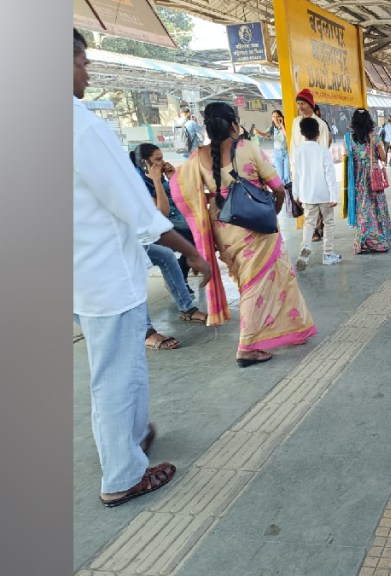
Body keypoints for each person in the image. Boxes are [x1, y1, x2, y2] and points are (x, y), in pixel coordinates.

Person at [74, 29, 213, 507]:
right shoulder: (82, 128)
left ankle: (128, 437)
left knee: (111, 368)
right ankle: (123, 475)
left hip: (76, 275)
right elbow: (137, 209)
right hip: (105, 275)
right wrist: (190, 251)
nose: (86, 71)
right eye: (81, 61)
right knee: (116, 374)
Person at [170, 102, 318, 367]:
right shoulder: (247, 148)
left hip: (224, 232)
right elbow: (279, 189)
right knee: (256, 286)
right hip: (256, 228)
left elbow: (181, 191)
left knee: (266, 278)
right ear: (233, 123)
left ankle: (292, 327)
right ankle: (247, 347)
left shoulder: (196, 158)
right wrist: (270, 216)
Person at [129, 145, 209, 325]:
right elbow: (161, 213)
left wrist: (172, 177)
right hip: (137, 238)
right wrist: (158, 181)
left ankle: (187, 308)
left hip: (165, 224)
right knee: (187, 238)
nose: (162, 162)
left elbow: (181, 197)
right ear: (144, 163)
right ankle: (147, 330)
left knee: (168, 254)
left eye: (162, 158)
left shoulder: (154, 176)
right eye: (158, 160)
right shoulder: (139, 183)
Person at [340, 109, 391, 253]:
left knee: (362, 210)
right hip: (373, 177)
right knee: (376, 208)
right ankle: (379, 241)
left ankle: (362, 241)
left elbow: (346, 158)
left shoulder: (349, 139)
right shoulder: (374, 138)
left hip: (357, 179)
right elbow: (383, 158)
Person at [292, 117, 343, 270]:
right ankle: (328, 254)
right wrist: (334, 196)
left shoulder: (298, 151)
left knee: (309, 223)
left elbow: (296, 174)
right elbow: (330, 175)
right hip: (324, 194)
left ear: (302, 133)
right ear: (318, 133)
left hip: (307, 194)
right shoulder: (323, 152)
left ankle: (305, 249)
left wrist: (296, 194)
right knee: (328, 223)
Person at [252, 109, 290, 184]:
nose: (276, 118)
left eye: (277, 116)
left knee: (287, 176)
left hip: (286, 152)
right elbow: (265, 134)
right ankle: (286, 195)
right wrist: (258, 132)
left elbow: (287, 136)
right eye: (274, 116)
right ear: (272, 118)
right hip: (277, 153)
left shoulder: (285, 126)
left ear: (281, 117)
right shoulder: (272, 128)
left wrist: (282, 125)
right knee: (280, 176)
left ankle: (289, 191)